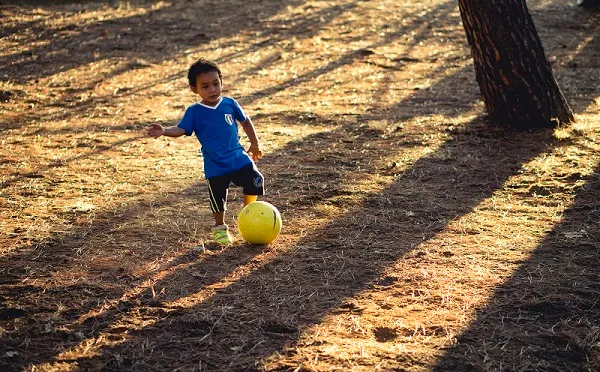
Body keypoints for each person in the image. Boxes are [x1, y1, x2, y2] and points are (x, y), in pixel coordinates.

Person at [147, 58, 264, 245]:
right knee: (218, 199)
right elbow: (181, 129)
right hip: (215, 165)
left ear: (221, 82)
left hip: (237, 157)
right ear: (195, 89)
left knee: (255, 179)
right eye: (205, 86)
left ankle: (248, 214)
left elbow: (246, 122)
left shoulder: (230, 104)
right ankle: (220, 228)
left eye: (216, 84)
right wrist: (164, 131)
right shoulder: (194, 112)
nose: (212, 90)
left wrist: (255, 143)